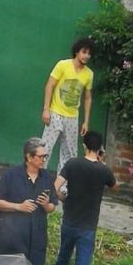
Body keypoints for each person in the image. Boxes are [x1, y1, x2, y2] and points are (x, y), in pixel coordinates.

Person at [49, 131, 118, 265]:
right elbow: (115, 187)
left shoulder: (73, 164)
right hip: (88, 226)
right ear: (100, 148)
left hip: (69, 221)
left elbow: (55, 186)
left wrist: (61, 197)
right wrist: (102, 164)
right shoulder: (104, 171)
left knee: (62, 260)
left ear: (84, 146)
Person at [0, 138, 57, 265]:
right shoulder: (11, 176)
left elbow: (52, 207)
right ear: (29, 157)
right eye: (41, 156)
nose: (44, 159)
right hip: (13, 238)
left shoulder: (47, 178)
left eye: (45, 156)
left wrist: (45, 204)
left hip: (37, 240)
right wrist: (18, 207)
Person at [41, 37, 94, 172]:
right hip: (55, 113)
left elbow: (87, 98)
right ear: (77, 51)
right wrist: (46, 109)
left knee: (69, 154)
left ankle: (63, 187)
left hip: (72, 117)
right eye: (84, 52)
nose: (86, 56)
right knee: (45, 149)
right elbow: (50, 85)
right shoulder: (63, 65)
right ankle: (39, 181)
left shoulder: (89, 74)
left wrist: (86, 122)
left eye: (89, 53)